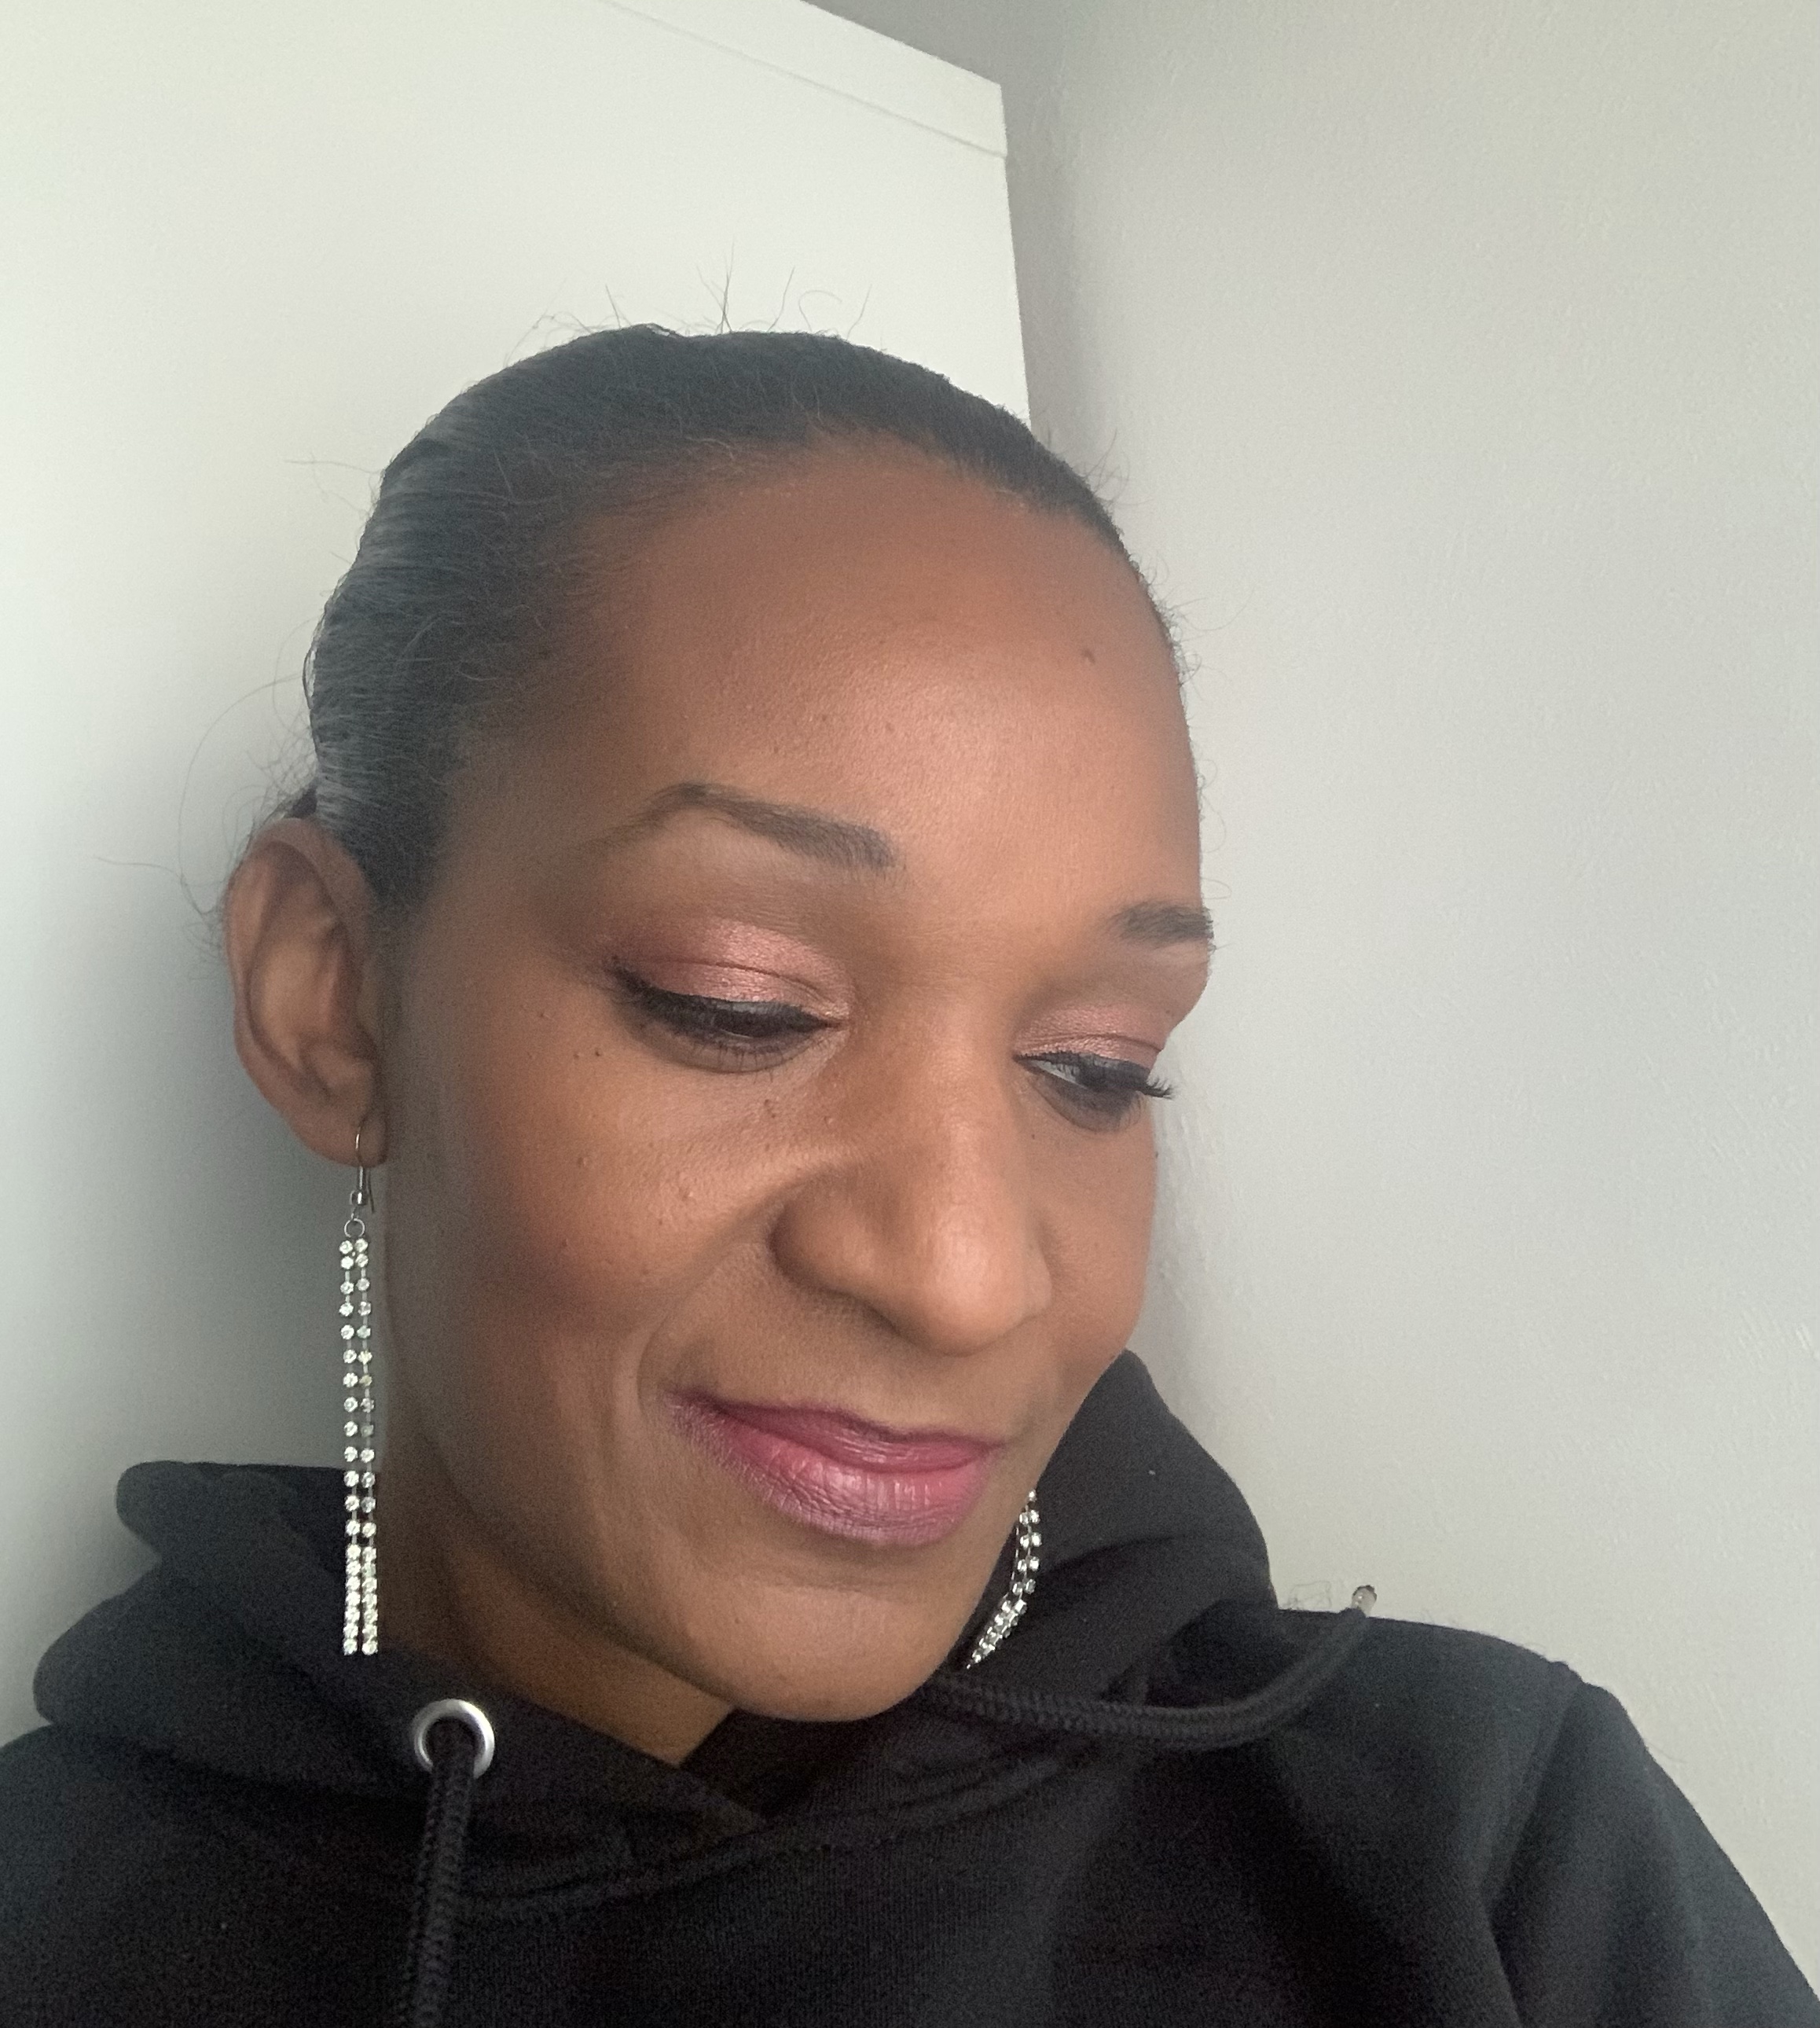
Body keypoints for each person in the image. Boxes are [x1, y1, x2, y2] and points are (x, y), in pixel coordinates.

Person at [0, 325, 1811, 2028]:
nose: (962, 1274)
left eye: (1095, 1067)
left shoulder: (1490, 1856)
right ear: (332, 999)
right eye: (737, 1004)